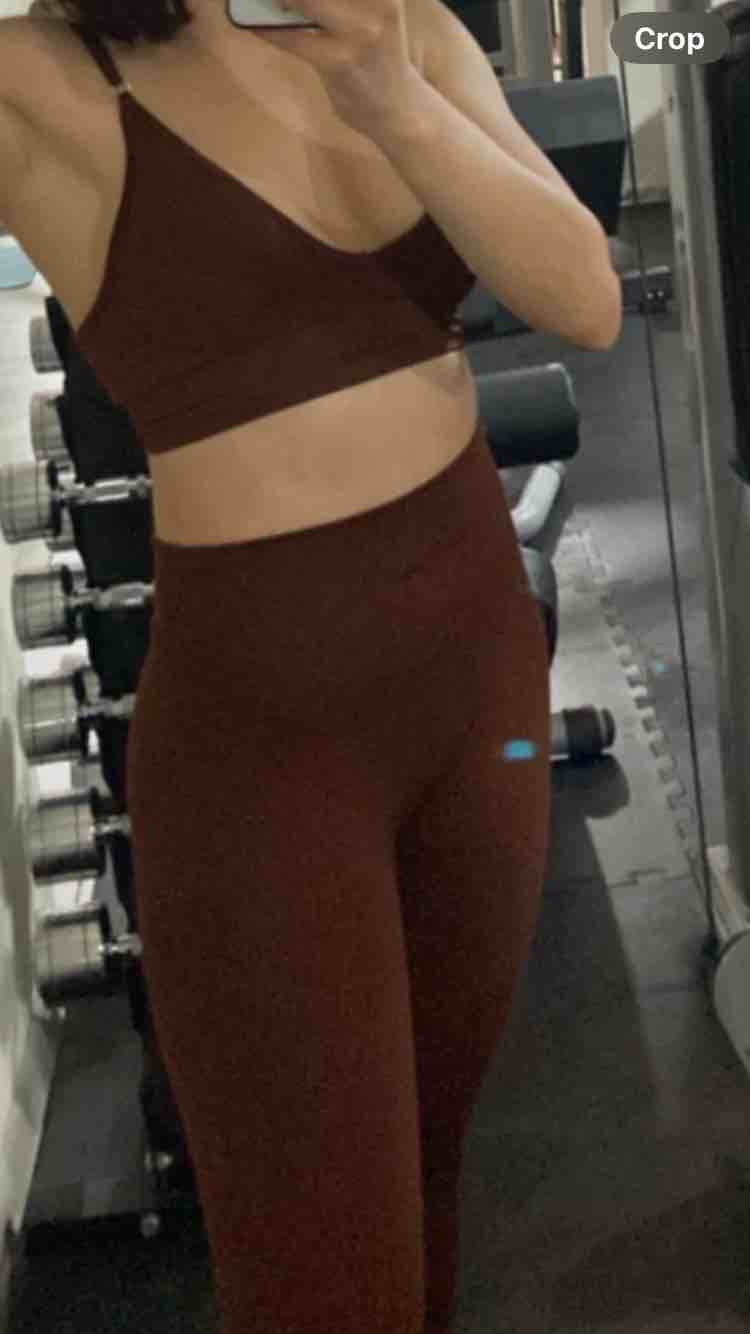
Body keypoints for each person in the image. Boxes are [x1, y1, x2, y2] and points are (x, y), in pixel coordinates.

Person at [5, 0, 621, 1328]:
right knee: (325, 1282)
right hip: (264, 757)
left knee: (428, 1188)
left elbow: (584, 298)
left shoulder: (404, 28)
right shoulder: (45, 76)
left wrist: (389, 95)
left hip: (481, 693)